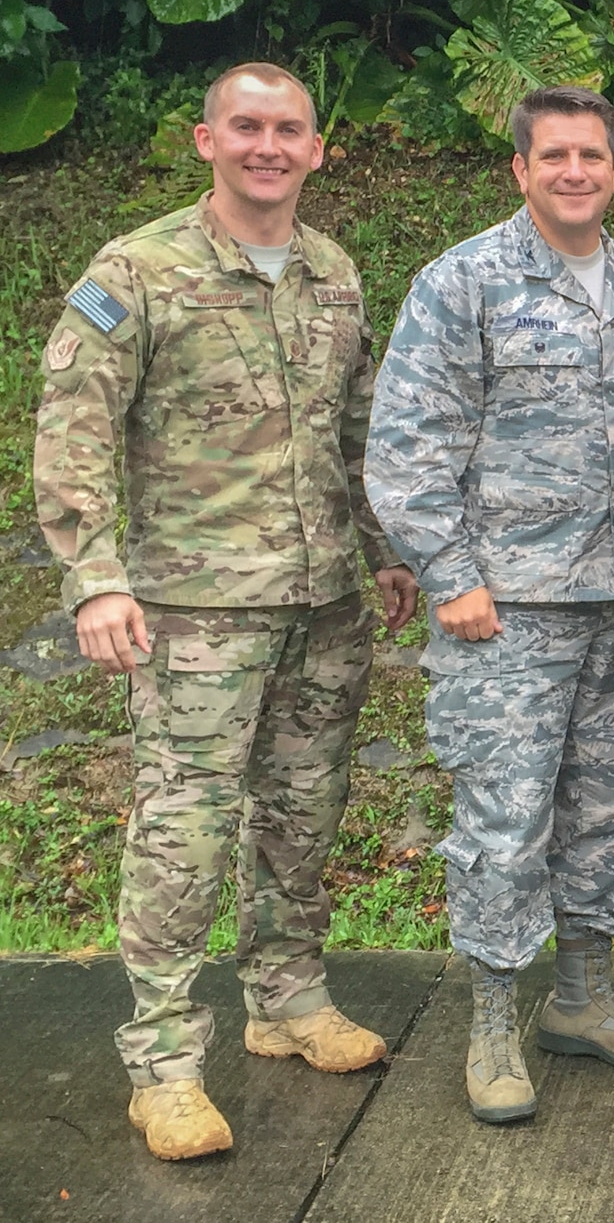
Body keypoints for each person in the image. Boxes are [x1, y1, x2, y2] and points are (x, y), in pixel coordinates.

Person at [33, 63, 417, 1161]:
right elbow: (73, 426)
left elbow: (357, 427)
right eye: (246, 127)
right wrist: (97, 575)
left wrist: (386, 551)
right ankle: (162, 1062)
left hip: (322, 599)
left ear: (317, 149)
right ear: (206, 140)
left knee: (302, 810)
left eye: (288, 130)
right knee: (185, 827)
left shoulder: (333, 272)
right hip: (196, 608)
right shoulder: (136, 271)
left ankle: (286, 998)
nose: (268, 146)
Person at [367, 86, 614, 1125]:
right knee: (505, 820)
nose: (574, 171)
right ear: (520, 168)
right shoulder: (462, 282)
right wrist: (450, 575)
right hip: (505, 609)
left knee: (612, 809)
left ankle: (582, 997)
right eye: (554, 155)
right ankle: (493, 1021)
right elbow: (407, 443)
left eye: (592, 154)